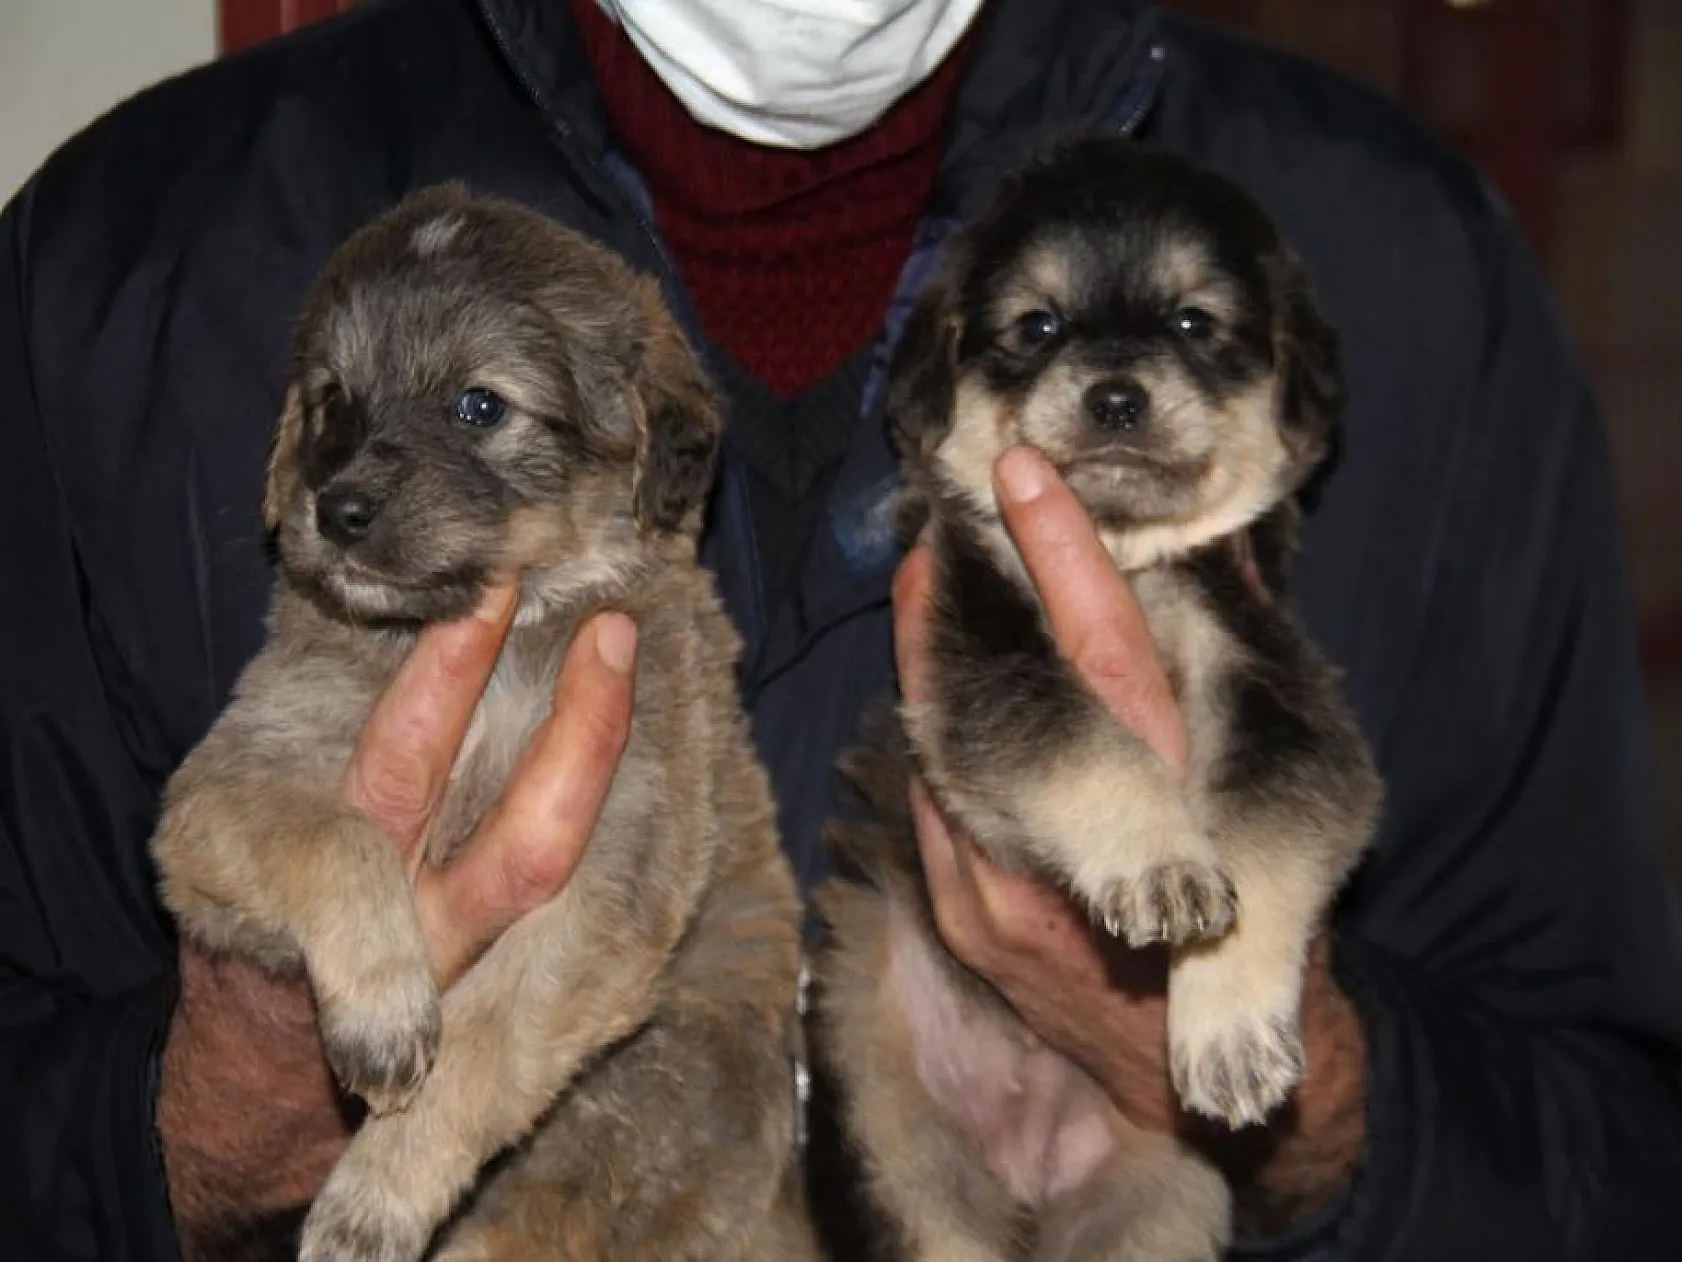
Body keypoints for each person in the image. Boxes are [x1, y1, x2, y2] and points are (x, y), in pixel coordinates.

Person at [1, 0, 1678, 1258]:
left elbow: (1611, 1151)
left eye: (1187, 332)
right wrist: (225, 1103)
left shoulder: (1408, 261)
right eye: (1040, 336)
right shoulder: (119, 263)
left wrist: (1289, 1081)